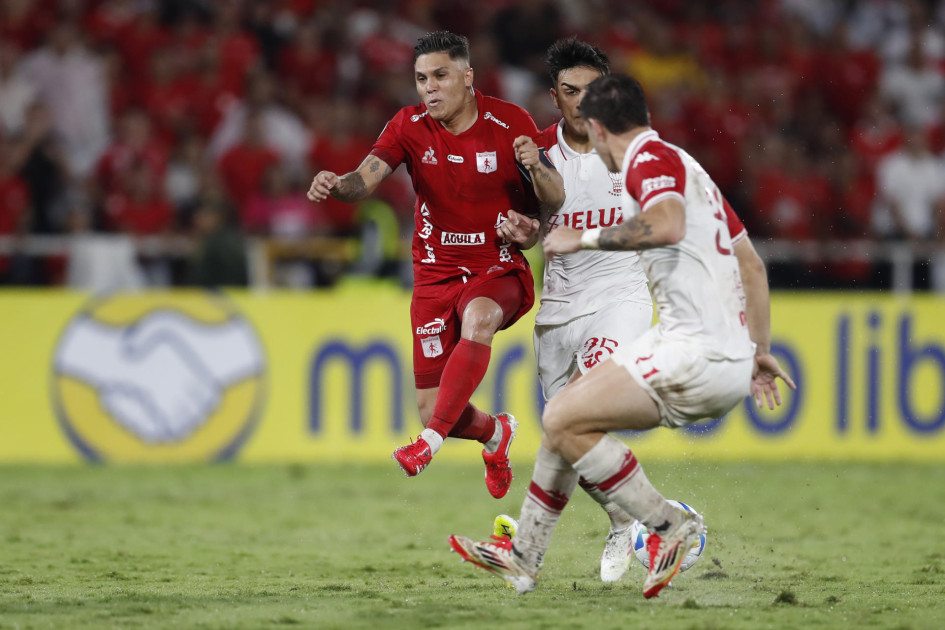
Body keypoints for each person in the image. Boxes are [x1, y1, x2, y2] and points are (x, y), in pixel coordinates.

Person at [448, 73, 795, 599]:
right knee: (565, 419)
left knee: (563, 417)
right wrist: (760, 351)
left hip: (691, 352)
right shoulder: (688, 166)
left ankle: (668, 526)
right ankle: (525, 560)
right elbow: (751, 265)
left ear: (600, 128)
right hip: (725, 360)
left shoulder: (648, 162)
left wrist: (582, 237)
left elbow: (669, 225)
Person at [307, 31, 564, 498]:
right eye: (422, 78)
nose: (429, 88)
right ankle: (494, 433)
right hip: (433, 273)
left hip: (496, 266)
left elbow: (548, 200)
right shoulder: (408, 125)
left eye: (440, 76)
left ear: (467, 77)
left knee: (479, 318)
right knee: (432, 407)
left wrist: (529, 227)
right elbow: (363, 180)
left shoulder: (510, 122)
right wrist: (336, 184)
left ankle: (427, 446)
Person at [495, 38, 652, 583]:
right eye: (570, 92)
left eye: (593, 90)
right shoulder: (535, 153)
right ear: (554, 97)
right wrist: (521, 234)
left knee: (580, 411)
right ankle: (624, 517)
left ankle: (656, 521)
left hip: (621, 298)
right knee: (565, 434)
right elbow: (531, 228)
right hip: (560, 309)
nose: (582, 102)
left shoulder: (635, 149)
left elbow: (663, 221)